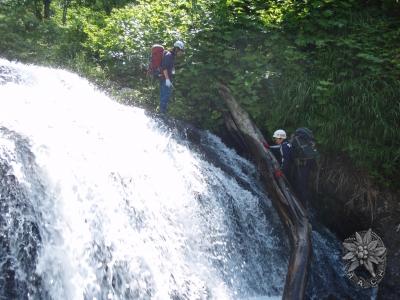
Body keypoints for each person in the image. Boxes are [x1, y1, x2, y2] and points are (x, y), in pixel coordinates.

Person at [159, 40, 185, 114]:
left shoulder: (172, 56)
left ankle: (161, 112)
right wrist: (167, 79)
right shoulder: (169, 55)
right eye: (181, 51)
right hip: (164, 79)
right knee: (165, 96)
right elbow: (164, 68)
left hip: (166, 79)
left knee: (164, 95)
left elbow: (169, 68)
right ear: (177, 49)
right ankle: (162, 113)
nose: (181, 53)